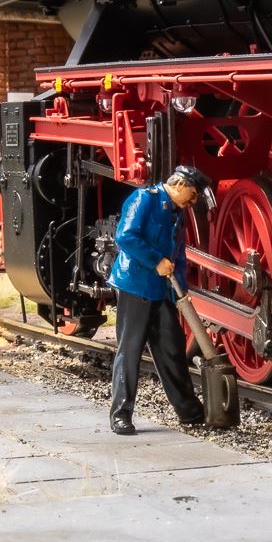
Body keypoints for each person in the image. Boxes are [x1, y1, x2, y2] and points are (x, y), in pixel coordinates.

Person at [108, 164, 211, 435]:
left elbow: (179, 254)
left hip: (162, 289)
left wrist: (182, 291)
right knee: (130, 350)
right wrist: (155, 261)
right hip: (135, 284)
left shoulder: (178, 213)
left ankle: (189, 412)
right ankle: (120, 414)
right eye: (192, 194)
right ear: (179, 185)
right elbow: (125, 236)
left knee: (172, 347)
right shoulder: (144, 199)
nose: (193, 201)